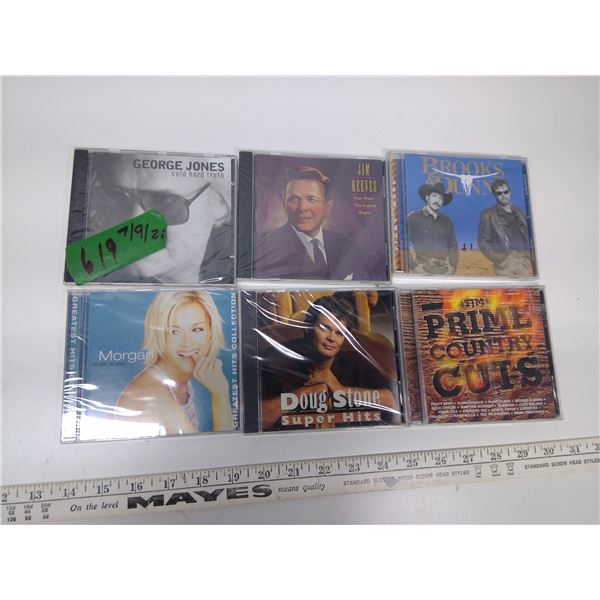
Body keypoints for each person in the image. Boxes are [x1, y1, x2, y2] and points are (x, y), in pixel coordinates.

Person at [85, 152, 233, 284]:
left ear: (219, 204)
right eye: (117, 195)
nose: (133, 222)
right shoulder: (84, 271)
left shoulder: (236, 278)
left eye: (163, 201)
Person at [258, 294, 400, 430]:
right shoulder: (279, 357)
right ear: (308, 328)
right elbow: (260, 419)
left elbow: (392, 403)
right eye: (325, 328)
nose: (332, 338)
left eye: (339, 333)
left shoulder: (355, 361)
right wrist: (304, 394)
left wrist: (341, 391)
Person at [115, 291, 233, 435]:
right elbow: (222, 448)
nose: (188, 343)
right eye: (174, 332)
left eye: (197, 329)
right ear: (159, 336)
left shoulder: (181, 381)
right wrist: (220, 395)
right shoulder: (154, 393)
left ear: (211, 333)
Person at [254, 166, 368, 280]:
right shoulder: (265, 248)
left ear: (328, 206)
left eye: (311, 199)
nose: (302, 208)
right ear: (284, 202)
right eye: (294, 199)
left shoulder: (344, 245)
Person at [477, 178, 533, 276]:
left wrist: (528, 257)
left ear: (509, 192)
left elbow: (529, 237)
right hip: (506, 263)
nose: (503, 195)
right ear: (495, 195)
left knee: (527, 285)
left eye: (505, 192)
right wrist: (499, 259)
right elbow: (483, 241)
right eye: (499, 193)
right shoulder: (488, 214)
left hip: (523, 262)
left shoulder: (519, 213)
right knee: (506, 286)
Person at [407, 181, 458, 274]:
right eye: (434, 196)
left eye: (440, 198)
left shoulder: (447, 221)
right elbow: (402, 244)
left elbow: (453, 246)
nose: (437, 200)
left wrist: (453, 267)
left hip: (444, 271)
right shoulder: (413, 217)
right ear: (427, 197)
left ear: (442, 202)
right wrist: (414, 267)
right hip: (422, 270)